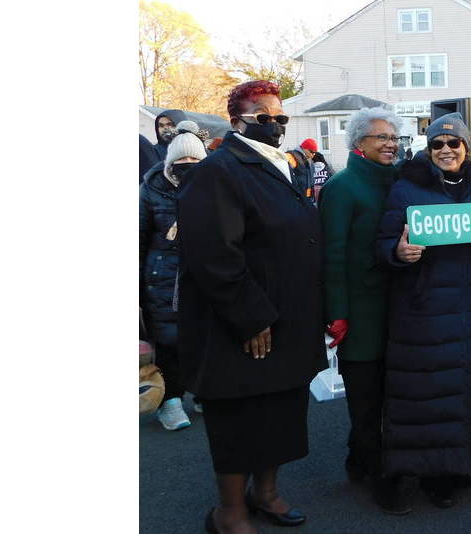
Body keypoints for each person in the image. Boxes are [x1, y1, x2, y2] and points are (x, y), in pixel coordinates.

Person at [176, 80, 324, 534]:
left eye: (280, 117)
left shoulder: (284, 166)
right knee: (240, 419)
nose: (276, 124)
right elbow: (213, 253)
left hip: (289, 316)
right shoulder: (219, 170)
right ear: (237, 121)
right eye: (265, 117)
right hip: (242, 322)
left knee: (280, 411)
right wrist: (251, 316)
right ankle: (230, 513)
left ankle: (267, 493)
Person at [374, 113, 471, 509]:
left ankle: (466, 464)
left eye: (454, 144)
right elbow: (383, 243)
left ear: (466, 148)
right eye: (438, 144)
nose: (446, 150)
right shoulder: (406, 188)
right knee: (429, 394)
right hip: (424, 307)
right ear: (428, 149)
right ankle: (434, 473)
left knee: (470, 388)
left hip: (469, 305)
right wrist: (397, 252)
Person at [318, 107, 407, 514]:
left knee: (394, 393)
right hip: (360, 310)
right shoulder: (342, 187)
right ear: (359, 144)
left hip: (399, 306)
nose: (391, 144)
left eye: (394, 138)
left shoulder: (401, 181)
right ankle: (379, 475)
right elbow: (331, 256)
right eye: (381, 138)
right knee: (366, 399)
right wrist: (336, 313)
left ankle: (361, 458)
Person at [140, 121, 206, 430]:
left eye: (195, 160)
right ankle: (171, 401)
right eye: (182, 160)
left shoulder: (215, 186)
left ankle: (204, 391)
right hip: (164, 277)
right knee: (169, 340)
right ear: (170, 162)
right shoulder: (151, 188)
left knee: (205, 337)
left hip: (205, 274)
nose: (188, 166)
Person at [286, 138, 318, 204]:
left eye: (315, 153)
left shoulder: (310, 161)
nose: (313, 155)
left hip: (309, 197)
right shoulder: (292, 157)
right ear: (305, 148)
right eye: (312, 152)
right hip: (297, 198)